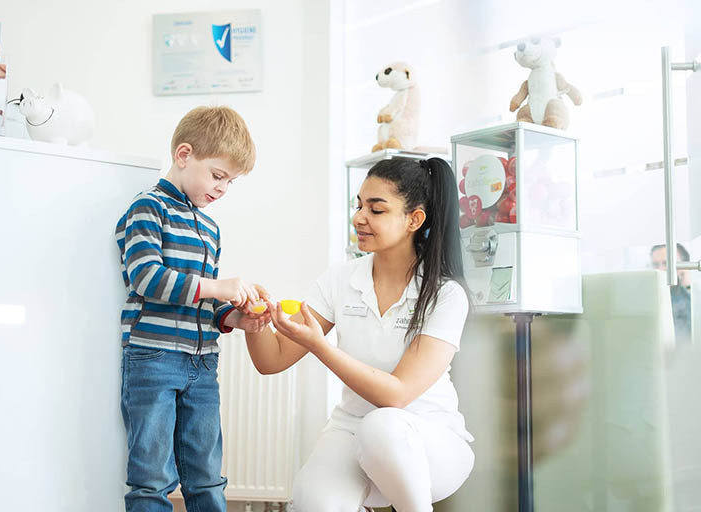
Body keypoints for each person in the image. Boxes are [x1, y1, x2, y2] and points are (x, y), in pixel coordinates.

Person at [246, 157, 474, 511]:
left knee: (382, 427)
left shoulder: (445, 294)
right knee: (312, 503)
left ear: (414, 219)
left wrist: (320, 346)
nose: (359, 218)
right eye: (358, 205)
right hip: (352, 431)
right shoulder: (341, 279)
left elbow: (397, 395)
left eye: (376, 209)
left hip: (427, 443)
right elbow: (272, 360)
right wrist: (254, 323)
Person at [115, 106, 268, 512]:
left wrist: (235, 316)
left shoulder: (210, 229)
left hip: (203, 365)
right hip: (154, 358)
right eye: (218, 176)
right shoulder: (148, 209)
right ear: (184, 155)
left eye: (230, 182)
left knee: (207, 476)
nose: (222, 189)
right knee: (152, 478)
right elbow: (146, 277)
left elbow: (204, 305)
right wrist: (218, 286)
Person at [651, 243, 692, 344]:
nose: (660, 270)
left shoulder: (691, 300)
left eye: (666, 263)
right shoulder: (651, 299)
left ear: (684, 266)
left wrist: (686, 284)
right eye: (656, 265)